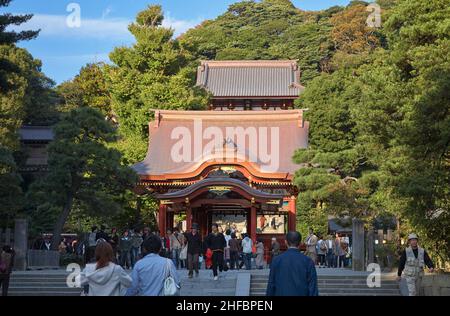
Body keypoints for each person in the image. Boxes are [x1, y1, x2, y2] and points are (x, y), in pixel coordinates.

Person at [266, 231, 318, 296]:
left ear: (286, 242)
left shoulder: (277, 260)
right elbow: (312, 287)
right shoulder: (308, 261)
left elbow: (271, 285)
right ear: (300, 243)